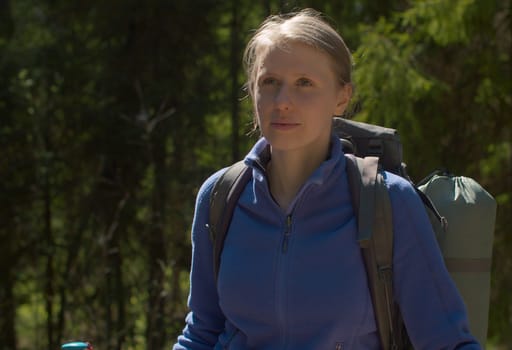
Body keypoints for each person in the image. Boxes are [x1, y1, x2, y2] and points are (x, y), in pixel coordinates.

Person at [174, 8, 480, 350]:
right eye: (269, 82)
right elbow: (201, 333)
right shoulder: (220, 197)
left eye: (304, 83)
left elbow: (446, 341)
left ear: (341, 96)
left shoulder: (388, 202)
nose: (282, 102)